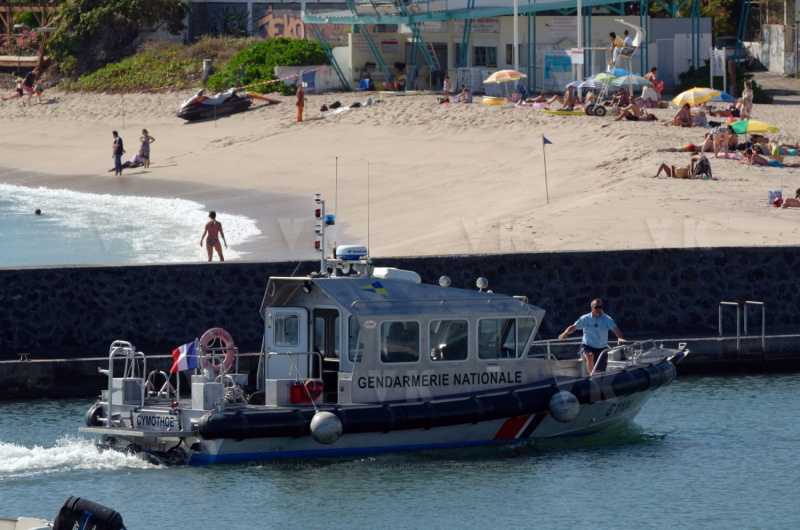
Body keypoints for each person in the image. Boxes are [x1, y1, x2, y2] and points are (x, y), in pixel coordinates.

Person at [558, 298, 626, 374]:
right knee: (590, 356)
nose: (599, 309)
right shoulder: (585, 318)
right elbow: (574, 327)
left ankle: (598, 379)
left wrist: (619, 337)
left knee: (601, 371)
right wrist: (565, 333)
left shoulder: (607, 319)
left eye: (600, 307)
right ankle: (592, 376)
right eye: (596, 307)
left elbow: (615, 329)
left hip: (601, 347)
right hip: (587, 345)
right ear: (591, 308)